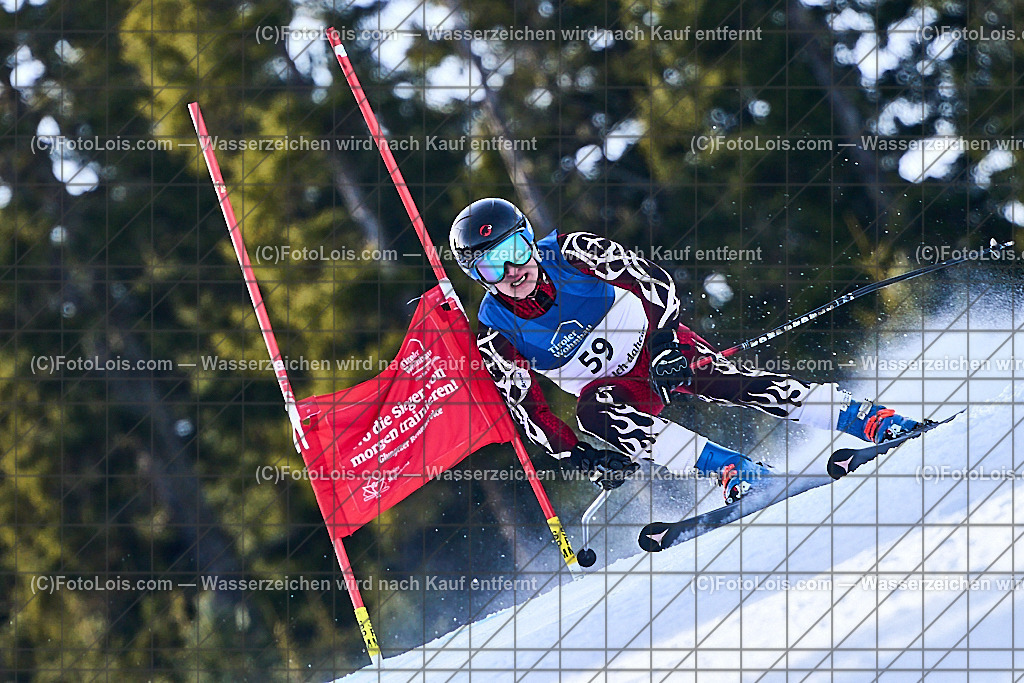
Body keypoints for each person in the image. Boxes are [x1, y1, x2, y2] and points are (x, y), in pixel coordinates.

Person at [450, 198, 925, 504]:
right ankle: (733, 470)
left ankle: (867, 418)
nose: (512, 271)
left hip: (659, 346)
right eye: (492, 266)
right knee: (593, 413)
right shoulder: (496, 334)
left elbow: (653, 281)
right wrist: (580, 457)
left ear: (529, 240)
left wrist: (663, 345)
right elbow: (529, 412)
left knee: (729, 383)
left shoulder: (573, 251)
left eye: (515, 250)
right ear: (477, 277)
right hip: (620, 390)